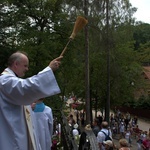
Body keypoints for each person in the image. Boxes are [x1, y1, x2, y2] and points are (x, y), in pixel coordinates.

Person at [0, 51, 63, 150]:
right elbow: (25, 88)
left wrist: (28, 107)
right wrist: (49, 69)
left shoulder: (8, 80)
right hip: (12, 137)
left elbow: (17, 100)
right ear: (16, 64)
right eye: (25, 65)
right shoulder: (5, 80)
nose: (27, 69)